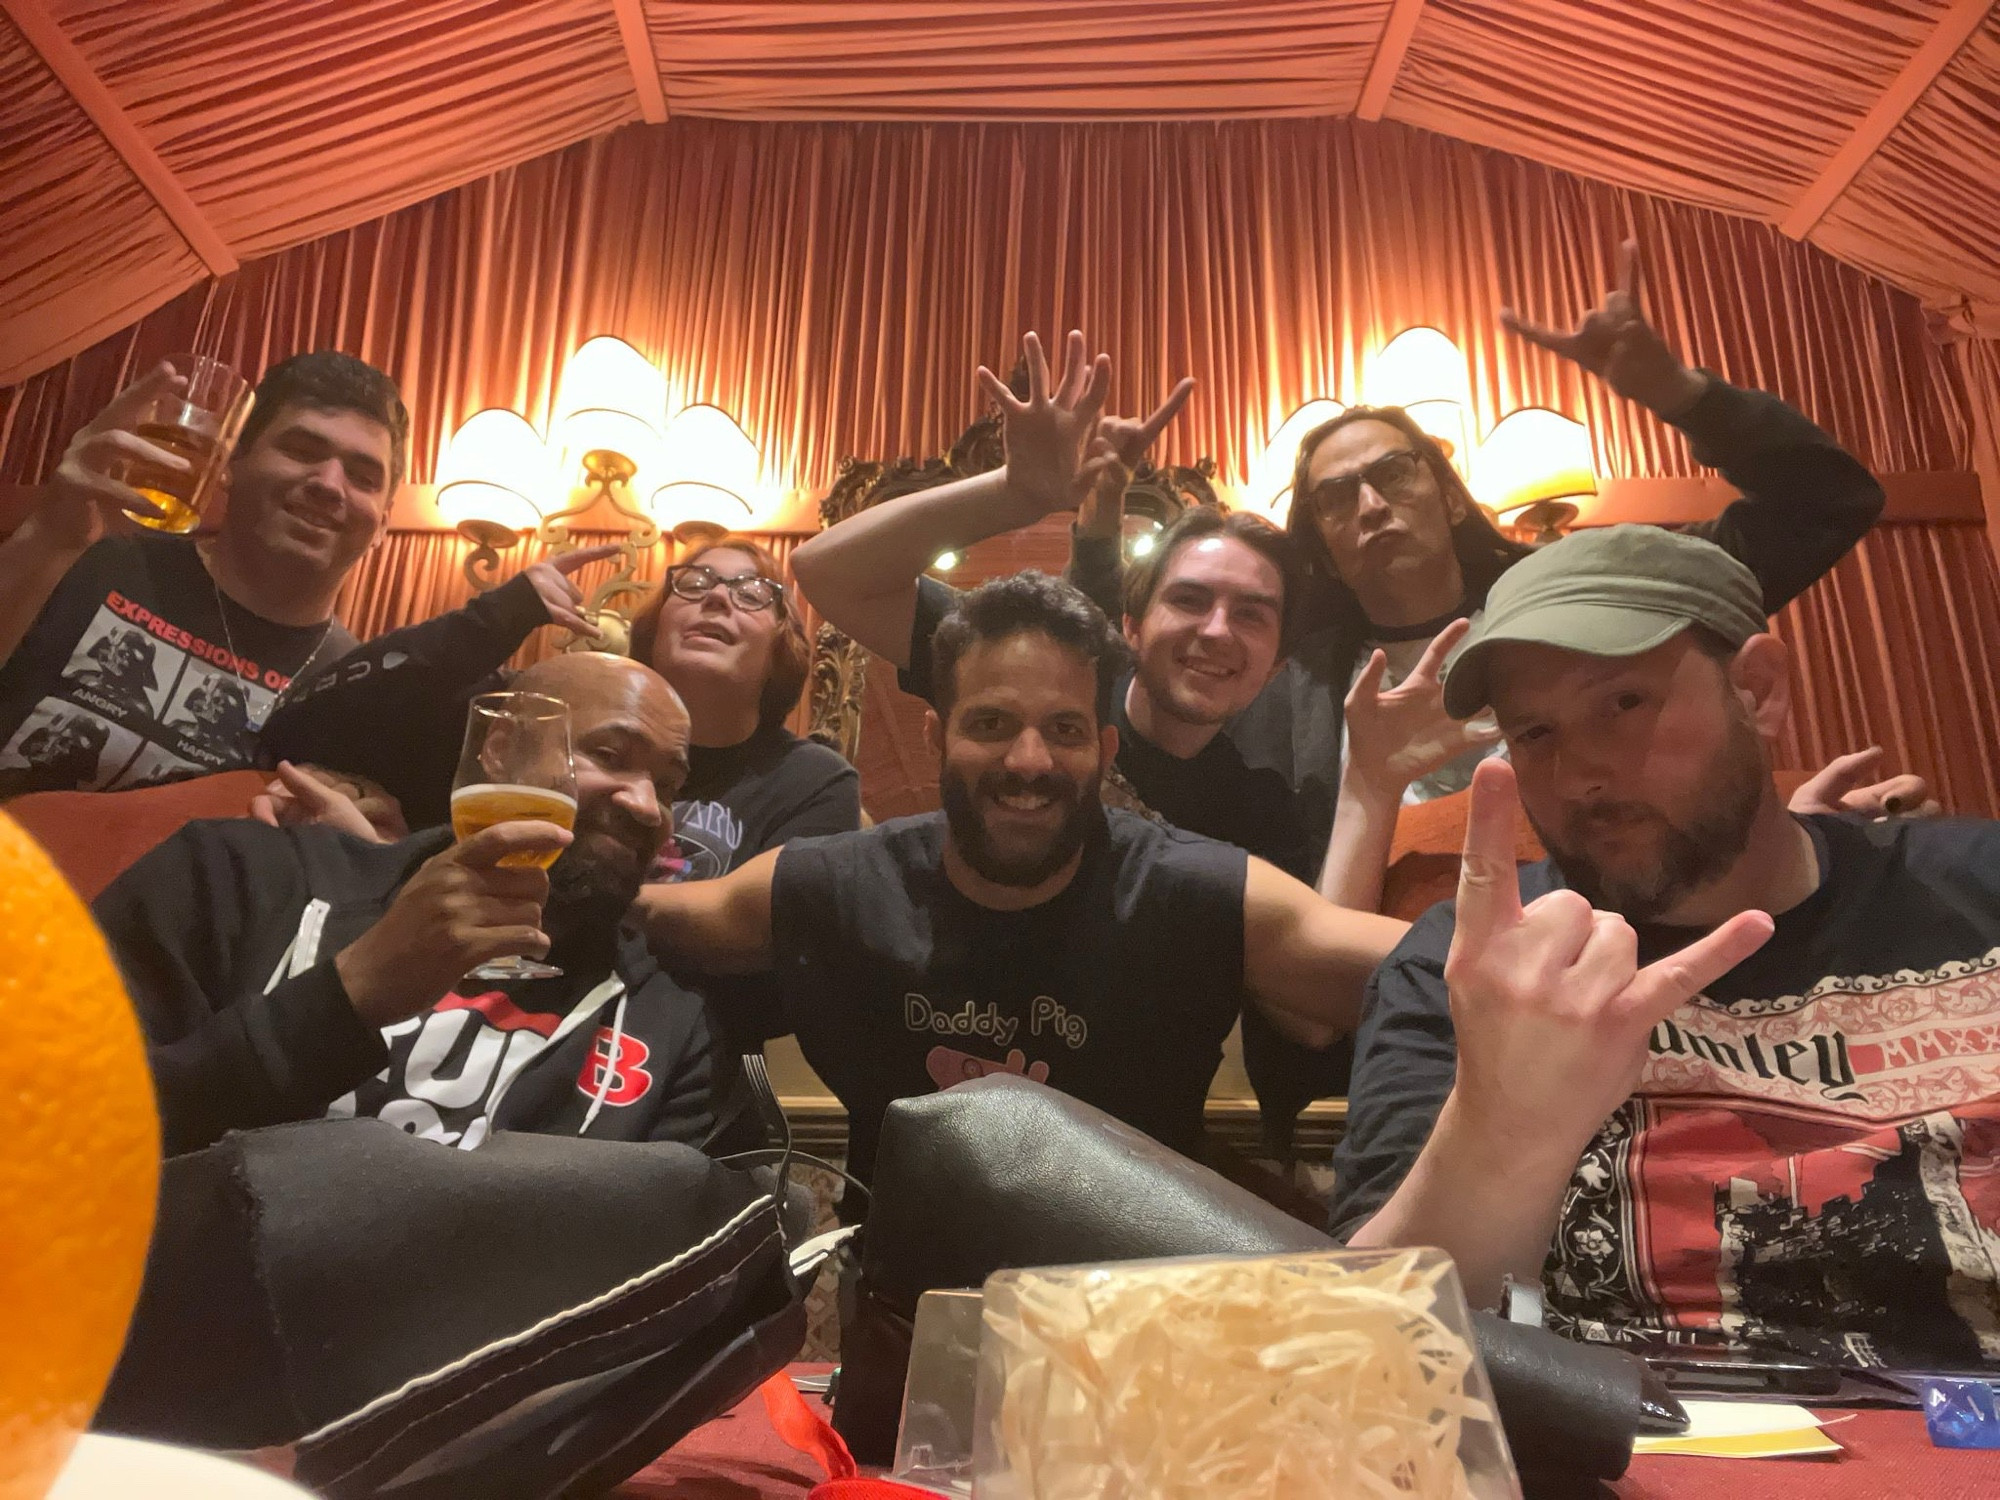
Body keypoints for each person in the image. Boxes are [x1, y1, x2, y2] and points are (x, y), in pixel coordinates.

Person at [1331, 526, 2000, 1371]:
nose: (1580, 775)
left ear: (1757, 691)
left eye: (1623, 704)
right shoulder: (1473, 966)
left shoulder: (1979, 892)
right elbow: (1371, 1348)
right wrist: (1500, 1128)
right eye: (1534, 733)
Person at [632, 571, 1409, 1186]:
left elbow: (1443, 976)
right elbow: (644, 919)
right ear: (939, 736)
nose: (1029, 762)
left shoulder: (1194, 890)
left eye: (1064, 730)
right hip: (905, 1318)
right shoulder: (836, 883)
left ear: (1104, 749)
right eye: (992, 724)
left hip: (1138, 1315)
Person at [95, 652, 726, 1159]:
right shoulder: (234, 874)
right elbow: (57, 1125)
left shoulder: (670, 1025)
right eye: (608, 756)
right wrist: (351, 993)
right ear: (501, 750)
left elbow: (654, 1273)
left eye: (668, 786)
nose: (647, 805)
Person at [0, 351, 407, 797]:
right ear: (231, 464)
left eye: (364, 477)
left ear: (382, 525)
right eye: (301, 451)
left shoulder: (359, 694)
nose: (329, 484)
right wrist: (44, 538)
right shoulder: (91, 556)